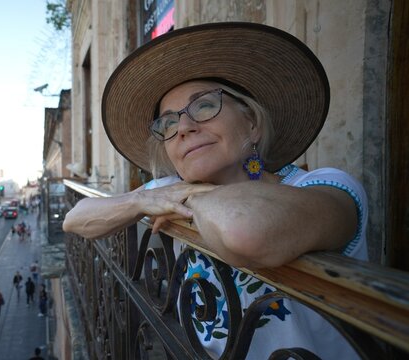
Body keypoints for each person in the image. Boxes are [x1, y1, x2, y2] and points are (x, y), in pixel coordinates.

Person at [62, 22, 368, 360]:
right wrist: (141, 199)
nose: (184, 128)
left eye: (205, 106)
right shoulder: (168, 191)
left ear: (251, 122)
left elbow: (243, 230)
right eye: (168, 123)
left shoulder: (323, 186)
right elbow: (76, 220)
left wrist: (190, 195)